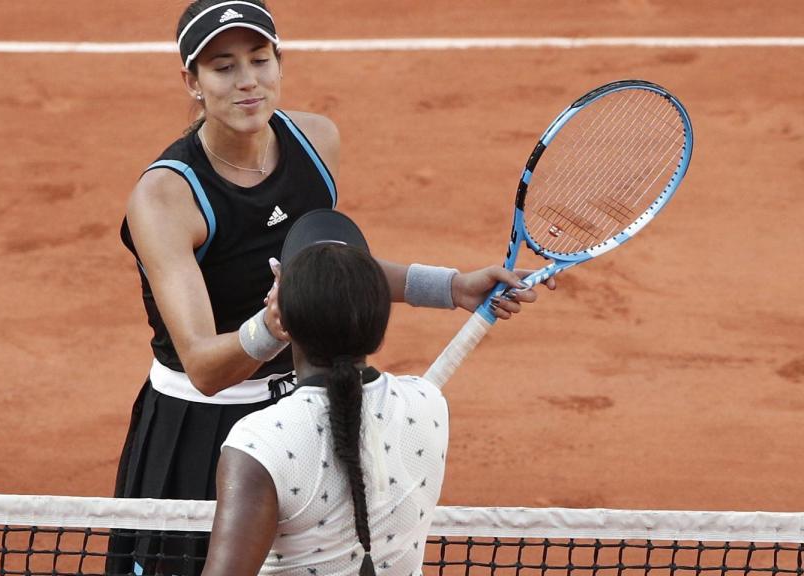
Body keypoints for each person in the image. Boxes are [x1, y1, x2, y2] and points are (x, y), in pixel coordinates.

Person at [110, 1, 551, 573]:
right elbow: (203, 366)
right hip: (200, 429)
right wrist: (272, 326)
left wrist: (451, 287)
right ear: (191, 82)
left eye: (260, 60)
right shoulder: (166, 197)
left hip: (306, 412)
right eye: (222, 67)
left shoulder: (316, 141)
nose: (247, 81)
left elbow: (326, 268)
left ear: (280, 62)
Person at [203, 209, 448, 576]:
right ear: (379, 331)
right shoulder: (429, 405)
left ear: (279, 321)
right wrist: (451, 286)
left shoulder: (259, 444)